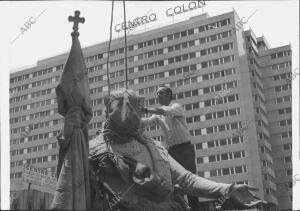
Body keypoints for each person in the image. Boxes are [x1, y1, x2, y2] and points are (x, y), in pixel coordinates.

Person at [88, 89, 263, 211]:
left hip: (183, 150)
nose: (134, 116)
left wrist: (226, 190)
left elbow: (186, 179)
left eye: (134, 110)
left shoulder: (159, 137)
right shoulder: (96, 150)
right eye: (127, 109)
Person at [141, 85, 199, 210]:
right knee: (175, 185)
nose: (158, 95)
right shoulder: (158, 114)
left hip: (185, 150)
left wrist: (145, 109)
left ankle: (195, 208)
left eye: (161, 92)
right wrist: (132, 118)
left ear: (169, 95)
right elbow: (146, 123)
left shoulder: (176, 107)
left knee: (190, 182)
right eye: (157, 93)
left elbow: (164, 111)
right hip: (171, 153)